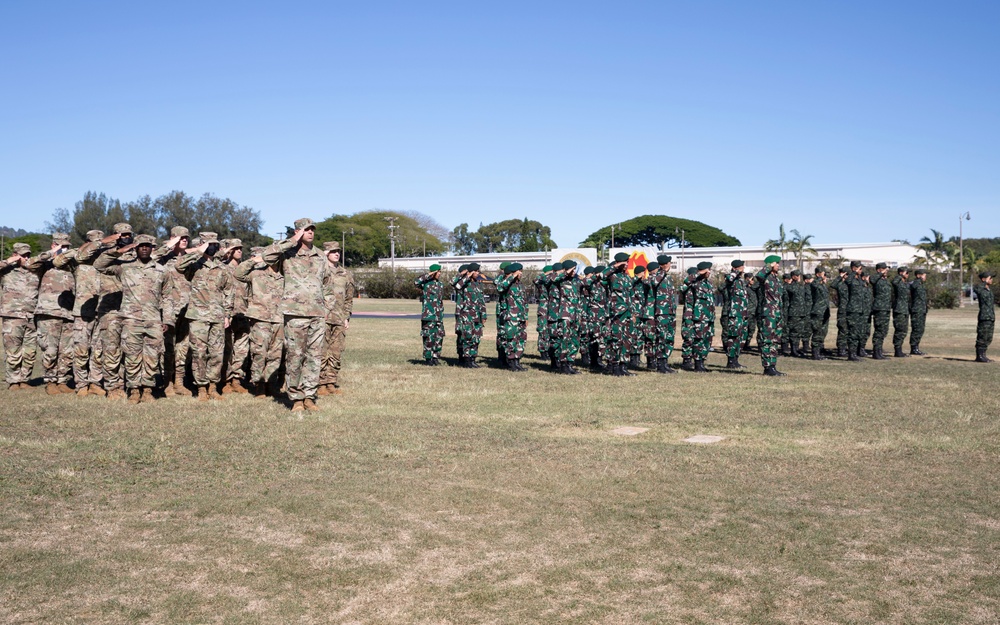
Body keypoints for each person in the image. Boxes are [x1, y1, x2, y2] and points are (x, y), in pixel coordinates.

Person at [262, 218, 335, 412]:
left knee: (314, 356)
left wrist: (327, 308)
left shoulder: (320, 256)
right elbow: (267, 256)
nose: (310, 232)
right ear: (298, 231)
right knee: (295, 356)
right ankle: (296, 398)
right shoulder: (287, 253)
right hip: (294, 313)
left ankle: (310, 396)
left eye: (312, 229)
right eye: (306, 229)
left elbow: (328, 284)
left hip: (317, 313)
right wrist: (292, 240)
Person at [95, 234, 170, 403]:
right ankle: (134, 390)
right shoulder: (124, 268)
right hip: (130, 319)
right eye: (141, 245)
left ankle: (148, 390)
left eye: (147, 246)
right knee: (132, 356)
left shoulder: (162, 270)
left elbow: (168, 297)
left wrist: (167, 320)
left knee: (152, 357)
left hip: (153, 321)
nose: (144, 248)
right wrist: (119, 251)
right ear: (135, 248)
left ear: (153, 248)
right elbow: (99, 265)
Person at [177, 233, 234, 401]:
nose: (212, 247)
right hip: (198, 316)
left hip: (217, 316)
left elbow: (229, 292)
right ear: (202, 244)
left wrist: (227, 314)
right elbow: (178, 267)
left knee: (216, 353)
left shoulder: (222, 268)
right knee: (199, 353)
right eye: (208, 244)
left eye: (214, 244)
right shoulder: (193, 265)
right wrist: (197, 252)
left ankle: (213, 387)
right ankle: (201, 387)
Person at [53, 230, 105, 396]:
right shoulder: (77, 260)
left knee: (98, 351)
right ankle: (81, 384)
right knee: (81, 350)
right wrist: (78, 249)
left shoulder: (105, 260)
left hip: (101, 312)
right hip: (82, 312)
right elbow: (58, 262)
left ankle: (95, 382)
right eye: (94, 243)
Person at [27, 233, 76, 394]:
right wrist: (51, 253)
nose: (65, 249)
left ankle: (62, 380)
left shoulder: (71, 265)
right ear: (53, 245)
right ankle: (50, 382)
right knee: (50, 349)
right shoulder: (45, 264)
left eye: (67, 246)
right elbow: (30, 264)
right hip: (48, 312)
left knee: (67, 351)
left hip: (68, 313)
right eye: (61, 246)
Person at [235, 248, 286, 395]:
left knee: (275, 354)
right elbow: (238, 274)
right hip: (260, 319)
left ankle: (270, 383)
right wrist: (254, 260)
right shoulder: (257, 273)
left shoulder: (284, 276)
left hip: (279, 319)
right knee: (259, 352)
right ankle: (258, 384)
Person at [0, 243, 40, 390]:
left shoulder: (34, 271)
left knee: (30, 351)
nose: (26, 258)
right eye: (23, 255)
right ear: (15, 255)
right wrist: (9, 261)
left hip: (31, 315)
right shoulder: (7, 271)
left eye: (28, 255)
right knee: (13, 350)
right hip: (12, 315)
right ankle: (13, 381)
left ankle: (24, 380)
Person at [319, 241, 356, 395]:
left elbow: (349, 298)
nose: (337, 254)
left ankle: (331, 382)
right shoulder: (319, 271)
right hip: (323, 317)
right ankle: (320, 383)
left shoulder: (345, 274)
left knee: (336, 351)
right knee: (321, 351)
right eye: (333, 251)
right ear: (326, 253)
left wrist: (346, 317)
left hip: (339, 318)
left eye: (338, 251)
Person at [222, 239, 252, 394]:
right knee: (227, 349)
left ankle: (236, 379)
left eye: (241, 248)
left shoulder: (245, 269)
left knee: (241, 349)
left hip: (243, 313)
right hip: (228, 314)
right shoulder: (224, 268)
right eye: (236, 249)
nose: (240, 251)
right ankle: (226, 380)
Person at [600, 253, 634, 376]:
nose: (627, 265)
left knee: (627, 340)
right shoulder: (612, 275)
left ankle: (623, 367)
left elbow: (630, 295)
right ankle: (614, 367)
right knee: (616, 339)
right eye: (625, 262)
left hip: (627, 312)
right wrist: (616, 266)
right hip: (616, 313)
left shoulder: (626, 277)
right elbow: (602, 275)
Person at [755, 255, 786, 376]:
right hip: (768, 314)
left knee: (775, 340)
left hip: (777, 313)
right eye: (776, 263)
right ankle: (767, 367)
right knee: (767, 340)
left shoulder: (777, 279)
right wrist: (769, 265)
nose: (778, 265)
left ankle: (773, 365)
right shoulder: (765, 277)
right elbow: (759, 275)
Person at [494, 262, 527, 371]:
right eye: (519, 271)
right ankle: (511, 362)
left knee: (520, 340)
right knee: (511, 339)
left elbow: (524, 302)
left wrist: (525, 317)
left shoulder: (520, 285)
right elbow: (500, 287)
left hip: (520, 316)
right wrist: (512, 276)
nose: (521, 273)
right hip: (511, 316)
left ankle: (517, 361)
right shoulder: (507, 283)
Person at [649, 255, 677, 373]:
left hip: (670, 312)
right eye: (669, 263)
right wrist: (663, 271)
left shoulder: (668, 277)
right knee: (661, 337)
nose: (670, 264)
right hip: (661, 312)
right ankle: (660, 364)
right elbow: (654, 283)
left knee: (669, 338)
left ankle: (665, 362)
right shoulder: (656, 275)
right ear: (665, 264)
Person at [414, 264, 444, 365]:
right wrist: (430, 274)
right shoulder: (425, 283)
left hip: (438, 315)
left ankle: (435, 357)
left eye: (440, 272)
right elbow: (416, 282)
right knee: (428, 337)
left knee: (438, 337)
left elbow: (440, 301)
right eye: (438, 272)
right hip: (428, 315)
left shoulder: (440, 284)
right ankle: (428, 358)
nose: (439, 274)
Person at [690, 261, 715, 372]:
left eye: (710, 269)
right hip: (700, 316)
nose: (709, 272)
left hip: (709, 316)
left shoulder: (708, 284)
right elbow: (687, 281)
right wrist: (699, 273)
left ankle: (702, 362)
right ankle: (697, 364)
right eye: (707, 270)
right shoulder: (695, 282)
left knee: (707, 340)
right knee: (699, 340)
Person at [723, 259, 748, 369]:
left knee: (741, 337)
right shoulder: (731, 278)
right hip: (735, 313)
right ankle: (731, 361)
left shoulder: (741, 281)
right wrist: (735, 271)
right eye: (741, 267)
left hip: (743, 313)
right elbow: (729, 278)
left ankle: (736, 359)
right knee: (733, 336)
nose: (743, 269)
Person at [845, 261, 867, 362]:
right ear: (854, 268)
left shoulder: (860, 281)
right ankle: (851, 354)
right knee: (853, 332)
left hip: (860, 310)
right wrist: (854, 272)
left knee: (858, 332)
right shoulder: (851, 278)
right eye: (859, 268)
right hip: (853, 310)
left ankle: (855, 352)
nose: (861, 270)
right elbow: (847, 281)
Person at [870, 262, 892, 360]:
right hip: (879, 308)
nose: (886, 270)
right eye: (884, 269)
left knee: (884, 330)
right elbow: (872, 280)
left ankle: (879, 351)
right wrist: (880, 273)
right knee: (879, 330)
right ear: (879, 270)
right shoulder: (876, 279)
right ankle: (876, 351)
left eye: (886, 269)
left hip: (886, 308)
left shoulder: (885, 280)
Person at [808, 267, 830, 360]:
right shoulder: (814, 283)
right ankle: (815, 353)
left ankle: (820, 350)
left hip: (824, 312)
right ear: (818, 274)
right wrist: (820, 278)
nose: (825, 276)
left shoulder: (822, 286)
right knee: (817, 332)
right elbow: (814, 284)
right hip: (817, 311)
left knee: (822, 332)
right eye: (823, 274)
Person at [973, 271, 995, 363]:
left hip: (990, 317)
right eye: (990, 278)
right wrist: (984, 282)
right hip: (984, 316)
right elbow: (976, 289)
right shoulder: (980, 289)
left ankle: (984, 355)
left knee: (988, 337)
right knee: (982, 336)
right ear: (984, 279)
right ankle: (979, 356)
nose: (992, 280)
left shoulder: (988, 290)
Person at [890, 267, 911, 357]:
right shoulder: (897, 283)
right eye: (906, 273)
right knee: (899, 329)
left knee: (904, 330)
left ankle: (900, 349)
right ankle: (897, 350)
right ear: (901, 273)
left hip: (905, 309)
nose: (908, 275)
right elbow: (894, 282)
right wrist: (900, 275)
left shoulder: (905, 284)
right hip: (899, 309)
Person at [909, 269, 929, 355]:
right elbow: (912, 287)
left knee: (920, 329)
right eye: (924, 275)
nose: (925, 277)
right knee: (916, 329)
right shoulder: (914, 283)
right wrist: (919, 279)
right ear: (918, 275)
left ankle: (916, 346)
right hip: (916, 310)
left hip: (922, 310)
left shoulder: (921, 285)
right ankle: (914, 348)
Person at [832, 266, 850, 357]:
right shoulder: (840, 284)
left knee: (849, 330)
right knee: (843, 330)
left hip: (850, 309)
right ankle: (841, 349)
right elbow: (833, 285)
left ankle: (846, 348)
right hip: (843, 310)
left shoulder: (850, 284)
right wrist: (840, 276)